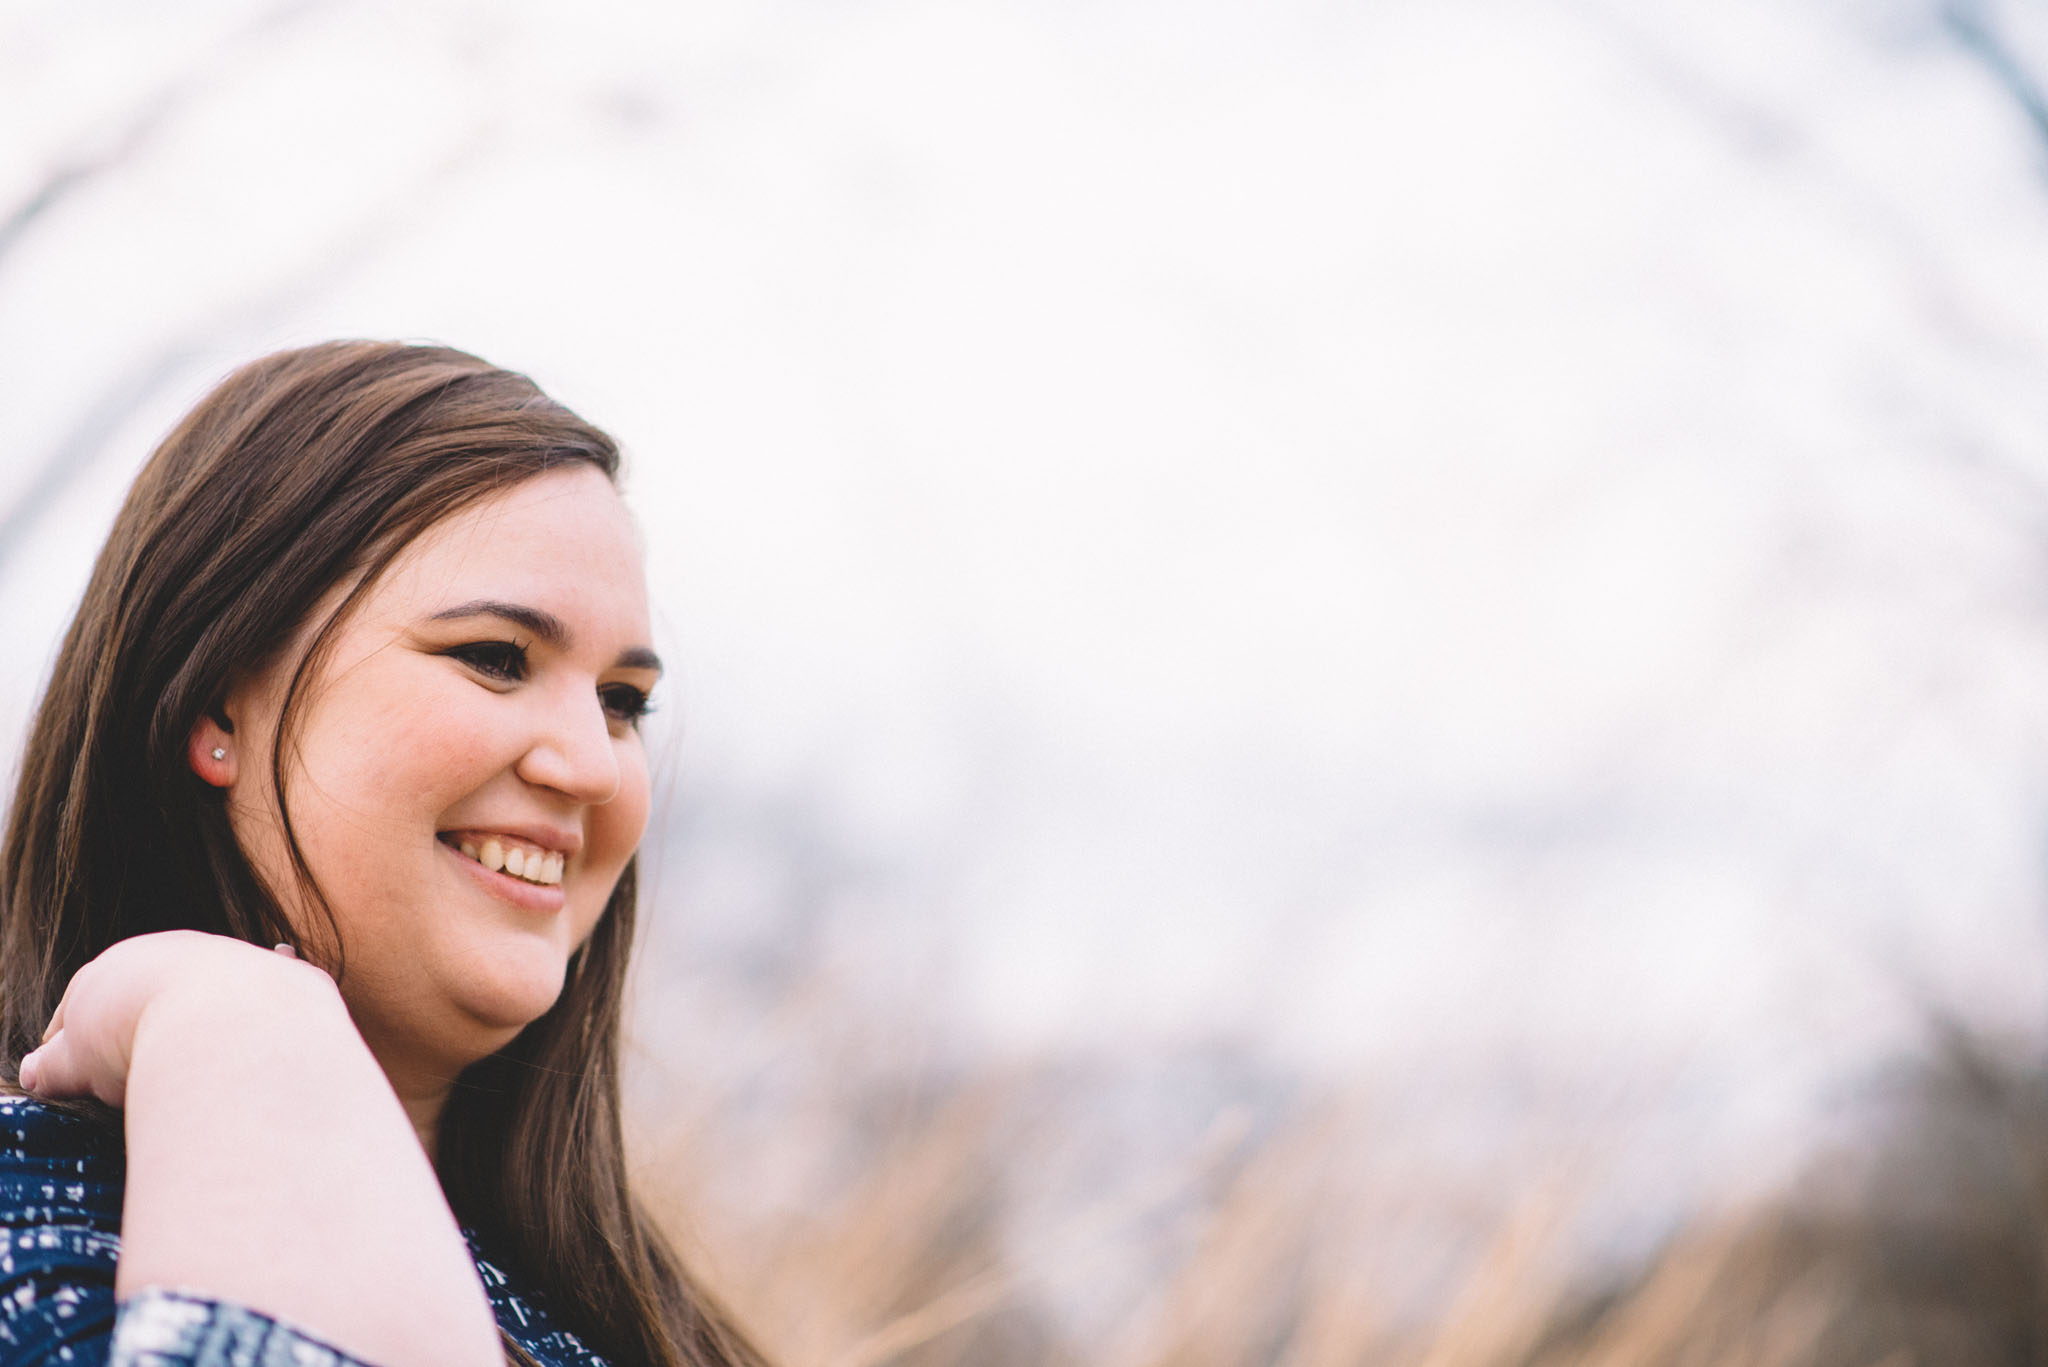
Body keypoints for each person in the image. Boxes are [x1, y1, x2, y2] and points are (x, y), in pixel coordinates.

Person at [0, 342, 770, 1367]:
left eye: (621, 700)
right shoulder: (33, 1230)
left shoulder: (657, 1332)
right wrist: (248, 1025)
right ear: (218, 698)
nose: (592, 763)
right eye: (496, 657)